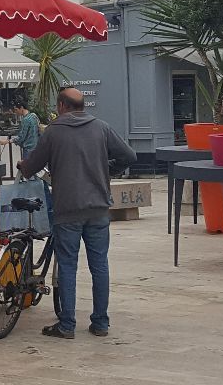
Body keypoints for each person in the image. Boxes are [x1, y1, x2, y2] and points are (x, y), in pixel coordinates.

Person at [17, 88, 136, 339]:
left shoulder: (53, 132)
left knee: (68, 266)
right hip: (98, 209)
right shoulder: (101, 127)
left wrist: (22, 166)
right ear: (82, 106)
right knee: (99, 265)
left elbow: (31, 168)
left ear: (61, 105)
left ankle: (67, 325)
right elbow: (129, 155)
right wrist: (108, 170)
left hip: (68, 210)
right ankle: (101, 323)